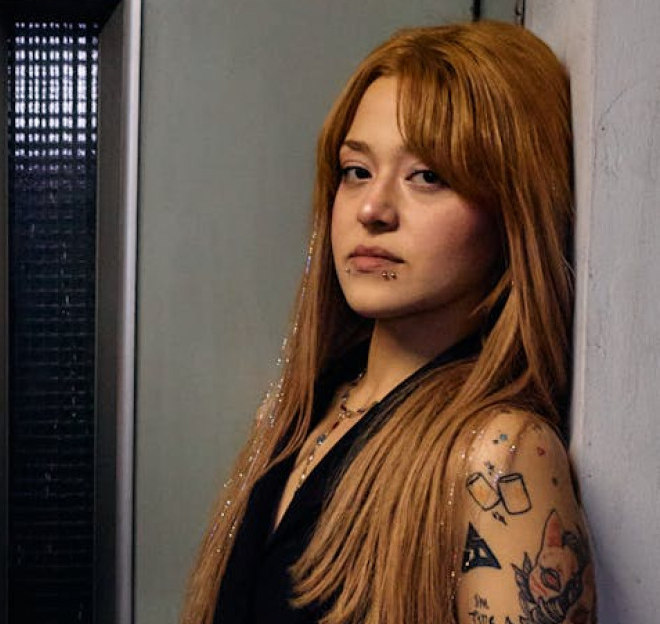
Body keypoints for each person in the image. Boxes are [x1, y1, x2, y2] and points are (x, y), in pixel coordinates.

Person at [183, 21, 595, 624]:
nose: (372, 209)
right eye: (356, 171)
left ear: (513, 211)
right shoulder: (304, 410)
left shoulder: (499, 454)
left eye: (428, 176)